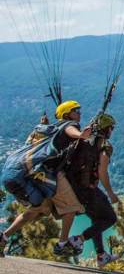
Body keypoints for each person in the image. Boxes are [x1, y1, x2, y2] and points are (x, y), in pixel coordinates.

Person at [0, 101, 91, 257]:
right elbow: (71, 130)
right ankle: (62, 244)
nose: (80, 113)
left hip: (34, 173)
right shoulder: (70, 125)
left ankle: (3, 237)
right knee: (72, 207)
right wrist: (81, 135)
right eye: (76, 110)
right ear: (67, 114)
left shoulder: (51, 128)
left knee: (38, 209)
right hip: (50, 174)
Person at [65, 113, 120, 268]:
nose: (112, 131)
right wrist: (110, 193)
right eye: (111, 128)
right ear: (106, 129)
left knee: (98, 219)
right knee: (110, 218)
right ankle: (79, 239)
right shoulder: (104, 145)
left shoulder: (83, 140)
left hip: (72, 187)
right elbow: (102, 171)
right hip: (88, 190)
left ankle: (101, 255)